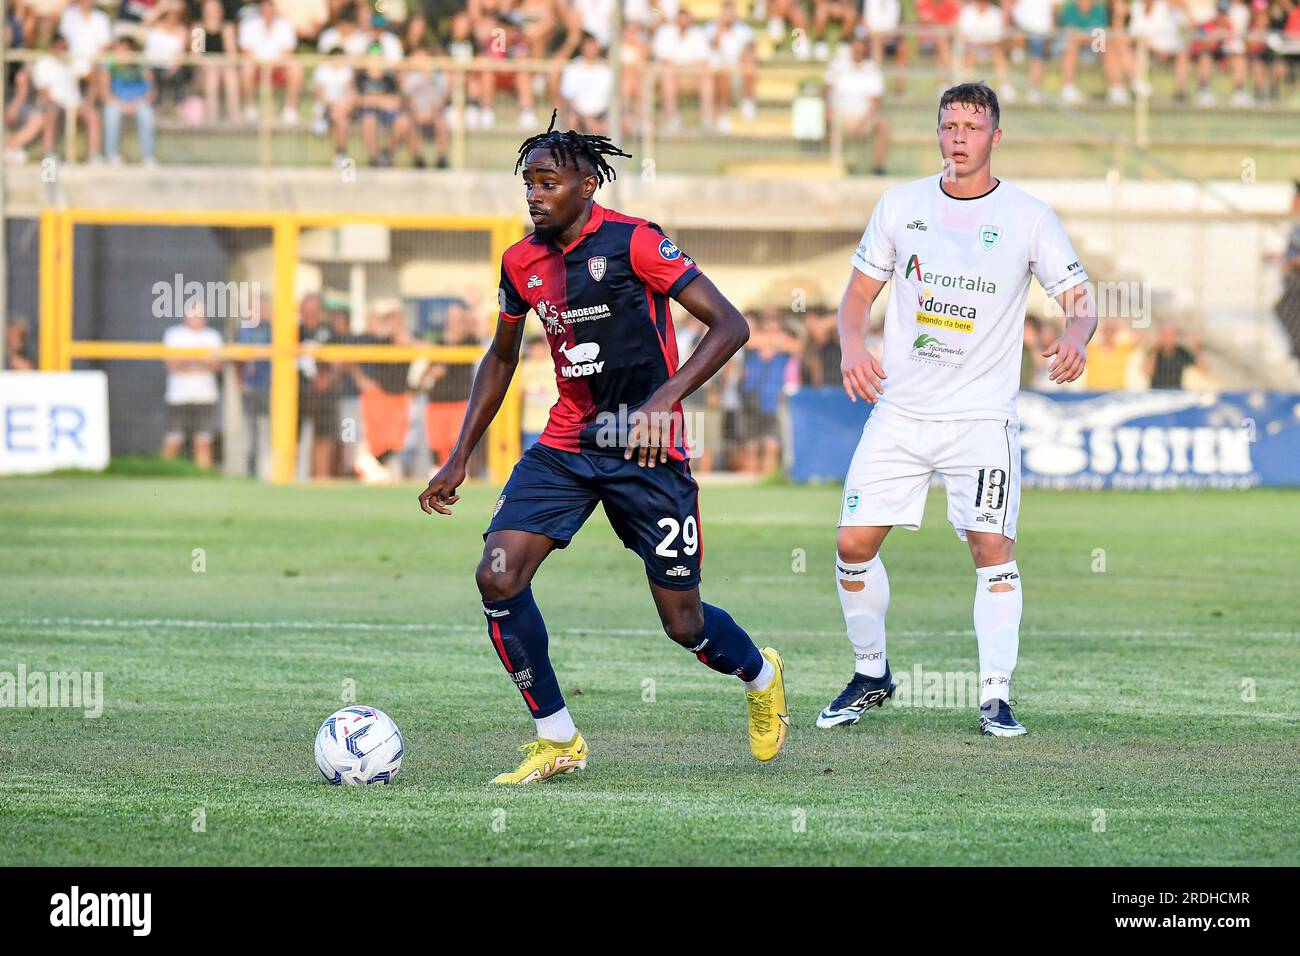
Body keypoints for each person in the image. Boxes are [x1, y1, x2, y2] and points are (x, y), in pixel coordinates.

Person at [417, 113, 789, 784]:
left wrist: (665, 397)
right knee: (497, 575)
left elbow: (731, 325)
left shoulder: (635, 241)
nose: (533, 194)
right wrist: (459, 453)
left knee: (683, 623)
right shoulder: (520, 261)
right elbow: (499, 359)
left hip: (648, 454)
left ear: (587, 184)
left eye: (548, 181)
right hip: (566, 444)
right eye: (528, 182)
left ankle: (761, 675)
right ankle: (557, 736)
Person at [821, 82, 1097, 737]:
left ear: (995, 136)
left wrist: (1077, 337)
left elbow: (1080, 298)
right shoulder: (900, 204)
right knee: (852, 544)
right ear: (938, 133)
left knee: (990, 547)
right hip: (900, 413)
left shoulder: (1029, 216)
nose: (959, 137)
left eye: (972, 126)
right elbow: (856, 297)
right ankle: (870, 674)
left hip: (980, 420)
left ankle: (996, 695)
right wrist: (851, 345)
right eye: (949, 125)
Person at [162, 302, 224, 468]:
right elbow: (172, 365)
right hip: (178, 396)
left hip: (204, 396)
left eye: (200, 315)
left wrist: (188, 360)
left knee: (203, 440)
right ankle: (163, 475)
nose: (197, 319)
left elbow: (216, 366)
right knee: (173, 439)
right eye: (193, 314)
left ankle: (203, 481)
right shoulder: (174, 334)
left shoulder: (212, 336)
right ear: (185, 316)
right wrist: (200, 361)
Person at [824, 36, 891, 175]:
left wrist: (862, 122)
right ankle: (832, 164)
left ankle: (878, 167)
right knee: (826, 119)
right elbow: (826, 91)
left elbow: (876, 101)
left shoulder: (872, 69)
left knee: (884, 123)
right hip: (840, 114)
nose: (857, 53)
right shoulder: (837, 66)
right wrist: (828, 109)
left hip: (863, 116)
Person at [102, 36, 157, 166]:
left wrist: (140, 102)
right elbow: (104, 91)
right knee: (111, 114)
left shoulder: (141, 63)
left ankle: (148, 157)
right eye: (119, 48)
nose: (121, 52)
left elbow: (152, 90)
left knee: (147, 115)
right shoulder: (108, 63)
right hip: (117, 101)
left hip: (139, 101)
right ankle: (112, 155)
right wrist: (121, 104)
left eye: (125, 49)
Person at [1144, 321, 1204, 387]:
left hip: (1175, 393)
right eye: (1166, 334)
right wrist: (1154, 350)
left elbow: (1203, 369)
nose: (1169, 338)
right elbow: (1147, 373)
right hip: (1157, 393)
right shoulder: (1154, 351)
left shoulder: (1181, 352)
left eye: (1173, 334)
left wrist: (1197, 349)